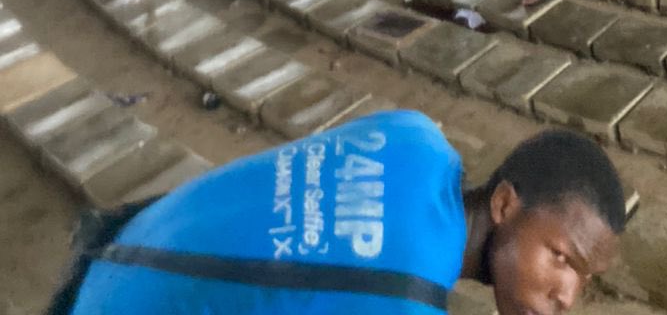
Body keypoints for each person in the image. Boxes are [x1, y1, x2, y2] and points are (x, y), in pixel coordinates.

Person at [60, 109, 626, 315]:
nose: (565, 297)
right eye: (561, 259)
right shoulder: (405, 296)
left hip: (119, 252)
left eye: (583, 279)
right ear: (505, 204)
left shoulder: (414, 134)